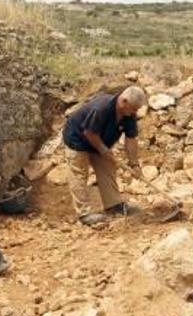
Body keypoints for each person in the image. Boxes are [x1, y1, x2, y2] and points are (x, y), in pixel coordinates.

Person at [62, 86, 147, 226]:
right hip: (77, 139)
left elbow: (131, 139)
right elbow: (89, 133)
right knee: (79, 173)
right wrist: (104, 150)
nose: (134, 112)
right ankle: (84, 213)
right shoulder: (101, 108)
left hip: (100, 140)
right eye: (133, 108)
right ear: (124, 101)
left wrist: (134, 164)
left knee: (108, 167)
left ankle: (114, 205)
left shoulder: (129, 114)